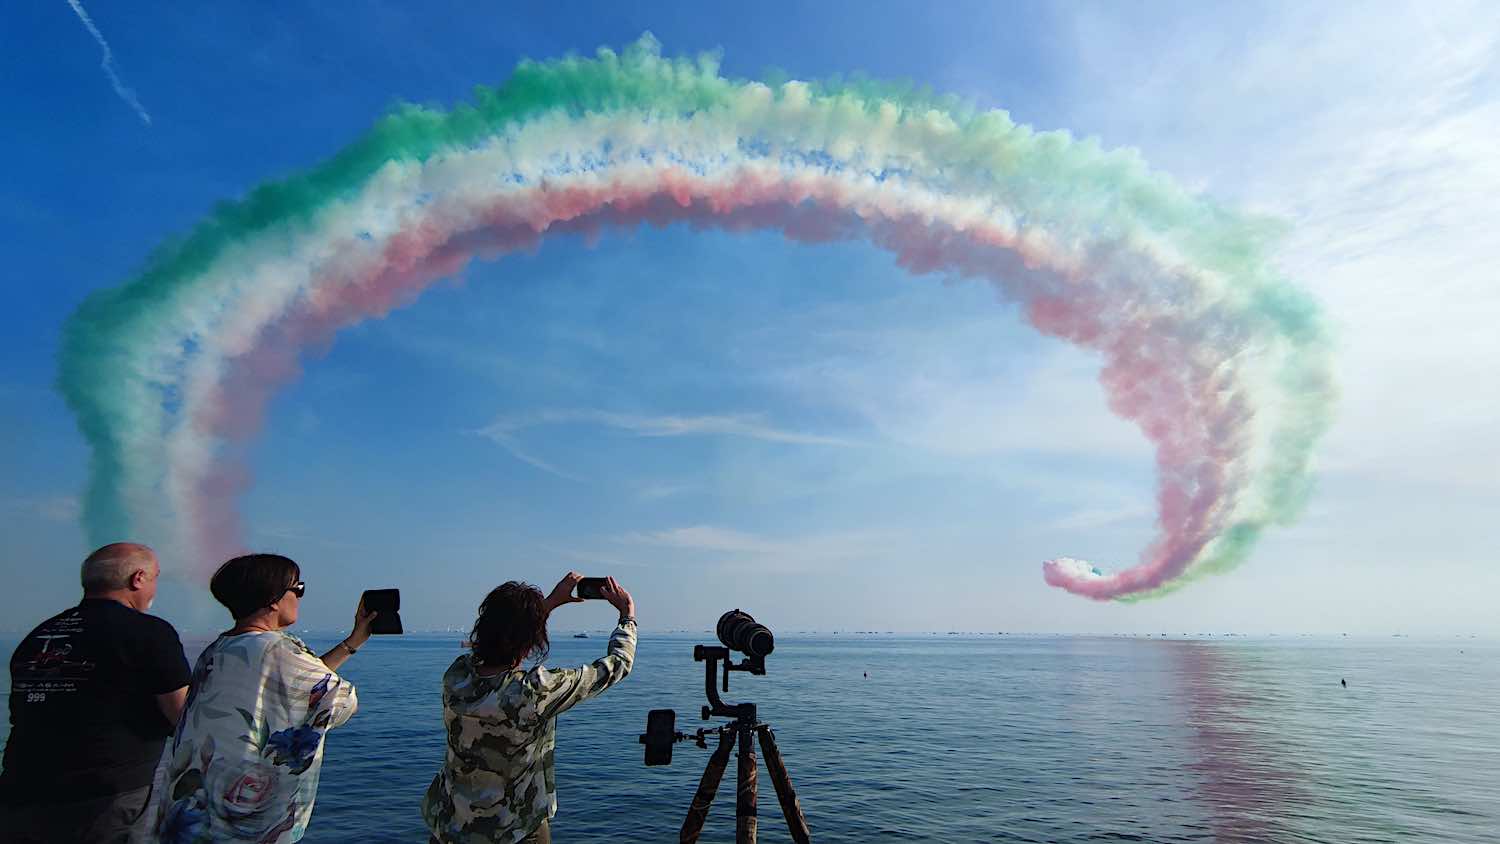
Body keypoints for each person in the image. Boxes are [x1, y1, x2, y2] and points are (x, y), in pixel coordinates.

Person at [143, 553, 375, 844]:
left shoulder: (220, 649)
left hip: (192, 810)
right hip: (240, 822)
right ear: (274, 599)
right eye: (298, 588)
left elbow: (295, 684)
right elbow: (340, 702)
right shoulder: (279, 651)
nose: (300, 597)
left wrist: (352, 643)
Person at [422, 573, 637, 844]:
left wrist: (546, 605)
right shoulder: (533, 692)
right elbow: (616, 665)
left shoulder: (456, 676)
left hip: (450, 827)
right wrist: (627, 615)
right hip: (515, 832)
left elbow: (499, 639)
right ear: (531, 639)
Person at [0, 542, 190, 843]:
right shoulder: (148, 632)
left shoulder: (41, 634)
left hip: (21, 791)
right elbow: (183, 715)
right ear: (137, 578)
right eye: (154, 578)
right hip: (104, 797)